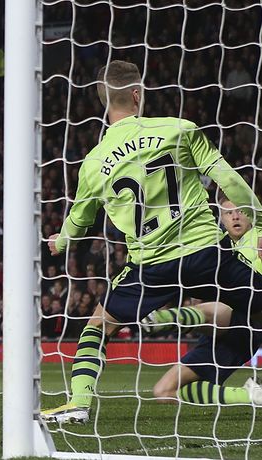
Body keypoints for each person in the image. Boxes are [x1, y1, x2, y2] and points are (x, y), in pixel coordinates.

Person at [42, 60, 262, 423]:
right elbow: (230, 181)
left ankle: (79, 402)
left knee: (98, 327)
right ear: (137, 94)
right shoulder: (179, 129)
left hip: (150, 267)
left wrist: (61, 242)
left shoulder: (93, 163)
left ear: (103, 101)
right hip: (205, 253)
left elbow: (79, 220)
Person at [150, 196, 262, 406]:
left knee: (222, 306)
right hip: (227, 332)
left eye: (240, 211)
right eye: (228, 213)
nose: (235, 217)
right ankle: (251, 395)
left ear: (251, 216)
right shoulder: (215, 247)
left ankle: (162, 319)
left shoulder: (258, 236)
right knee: (164, 391)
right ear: (221, 219)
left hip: (250, 316)